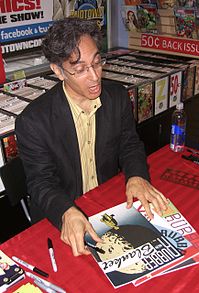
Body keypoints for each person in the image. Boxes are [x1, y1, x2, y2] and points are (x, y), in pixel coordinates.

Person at [15, 17, 168, 257]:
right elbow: (40, 182)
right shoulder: (33, 121)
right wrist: (66, 211)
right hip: (62, 213)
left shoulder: (116, 97)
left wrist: (136, 175)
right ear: (58, 71)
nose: (95, 77)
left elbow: (130, 144)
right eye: (79, 70)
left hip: (106, 201)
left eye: (97, 63)